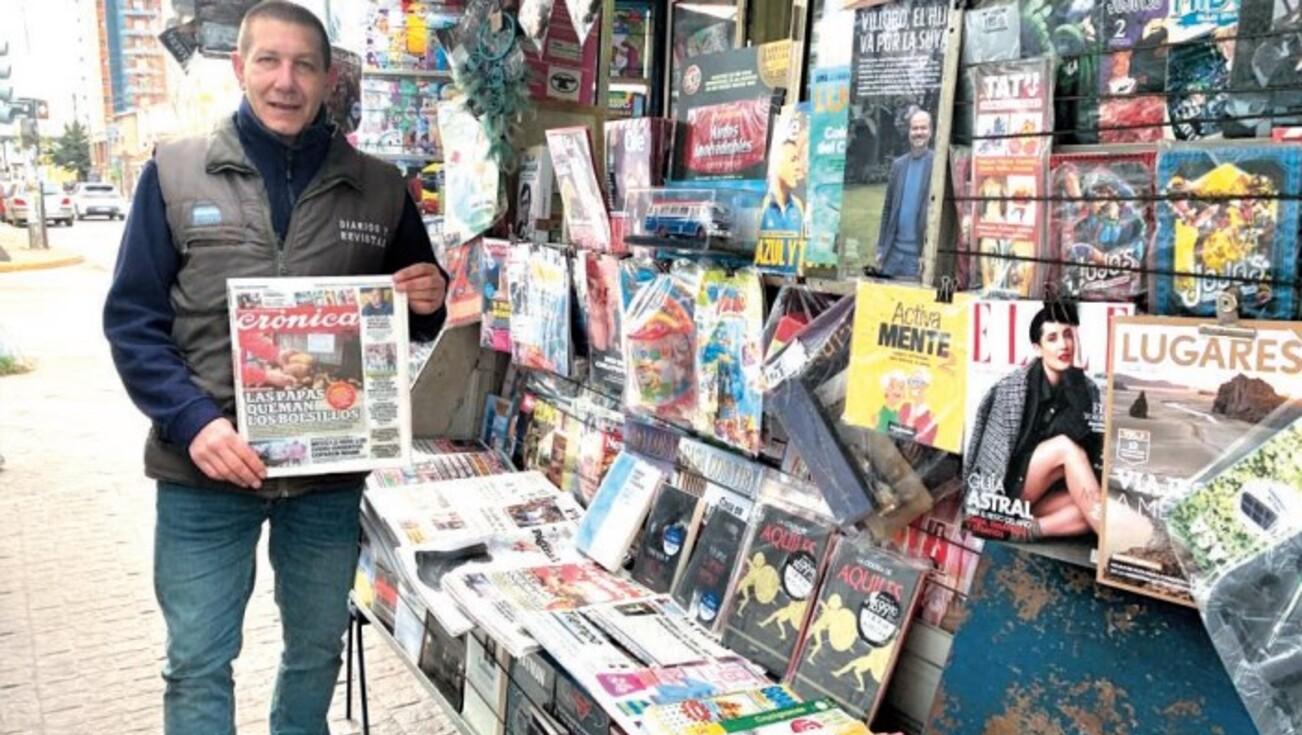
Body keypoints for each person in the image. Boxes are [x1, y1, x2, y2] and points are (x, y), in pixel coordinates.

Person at [101, 3, 447, 733]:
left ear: (328, 79)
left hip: (326, 478)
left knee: (316, 650)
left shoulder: (382, 188)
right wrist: (193, 423)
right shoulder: (174, 170)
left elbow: (413, 311)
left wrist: (429, 296)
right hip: (205, 470)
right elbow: (133, 322)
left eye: (304, 66)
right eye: (269, 61)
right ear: (241, 67)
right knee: (197, 660)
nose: (285, 81)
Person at [964, 304, 1103, 540]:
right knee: (1064, 448)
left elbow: (1087, 440)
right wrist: (981, 508)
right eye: (1052, 338)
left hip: (1037, 497)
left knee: (1092, 508)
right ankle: (1118, 551)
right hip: (1004, 493)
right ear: (1038, 349)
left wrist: (1075, 377)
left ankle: (1025, 530)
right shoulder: (1012, 390)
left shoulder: (1084, 388)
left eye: (1068, 335)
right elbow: (989, 463)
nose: (1063, 344)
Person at [876, 108, 934, 279]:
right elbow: (887, 209)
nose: (919, 133)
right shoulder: (898, 166)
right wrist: (881, 247)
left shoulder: (936, 165)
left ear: (930, 131)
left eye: (923, 128)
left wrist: (928, 255)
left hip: (917, 258)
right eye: (915, 128)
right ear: (909, 132)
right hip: (892, 255)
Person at [759, 112, 806, 233]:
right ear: (778, 163)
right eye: (793, 160)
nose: (798, 167)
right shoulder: (763, 206)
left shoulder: (798, 207)